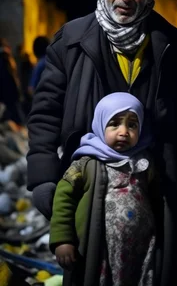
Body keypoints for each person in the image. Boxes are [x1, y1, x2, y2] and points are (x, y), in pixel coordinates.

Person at [26, 0, 177, 285]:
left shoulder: (170, 49)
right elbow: (44, 116)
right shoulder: (71, 42)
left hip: (159, 205)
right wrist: (42, 178)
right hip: (89, 202)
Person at [50, 92, 156, 285]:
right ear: (100, 124)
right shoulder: (86, 164)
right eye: (114, 124)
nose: (123, 131)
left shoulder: (144, 162)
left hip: (141, 251)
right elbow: (63, 199)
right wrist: (62, 240)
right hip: (101, 251)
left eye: (132, 125)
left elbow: (157, 196)